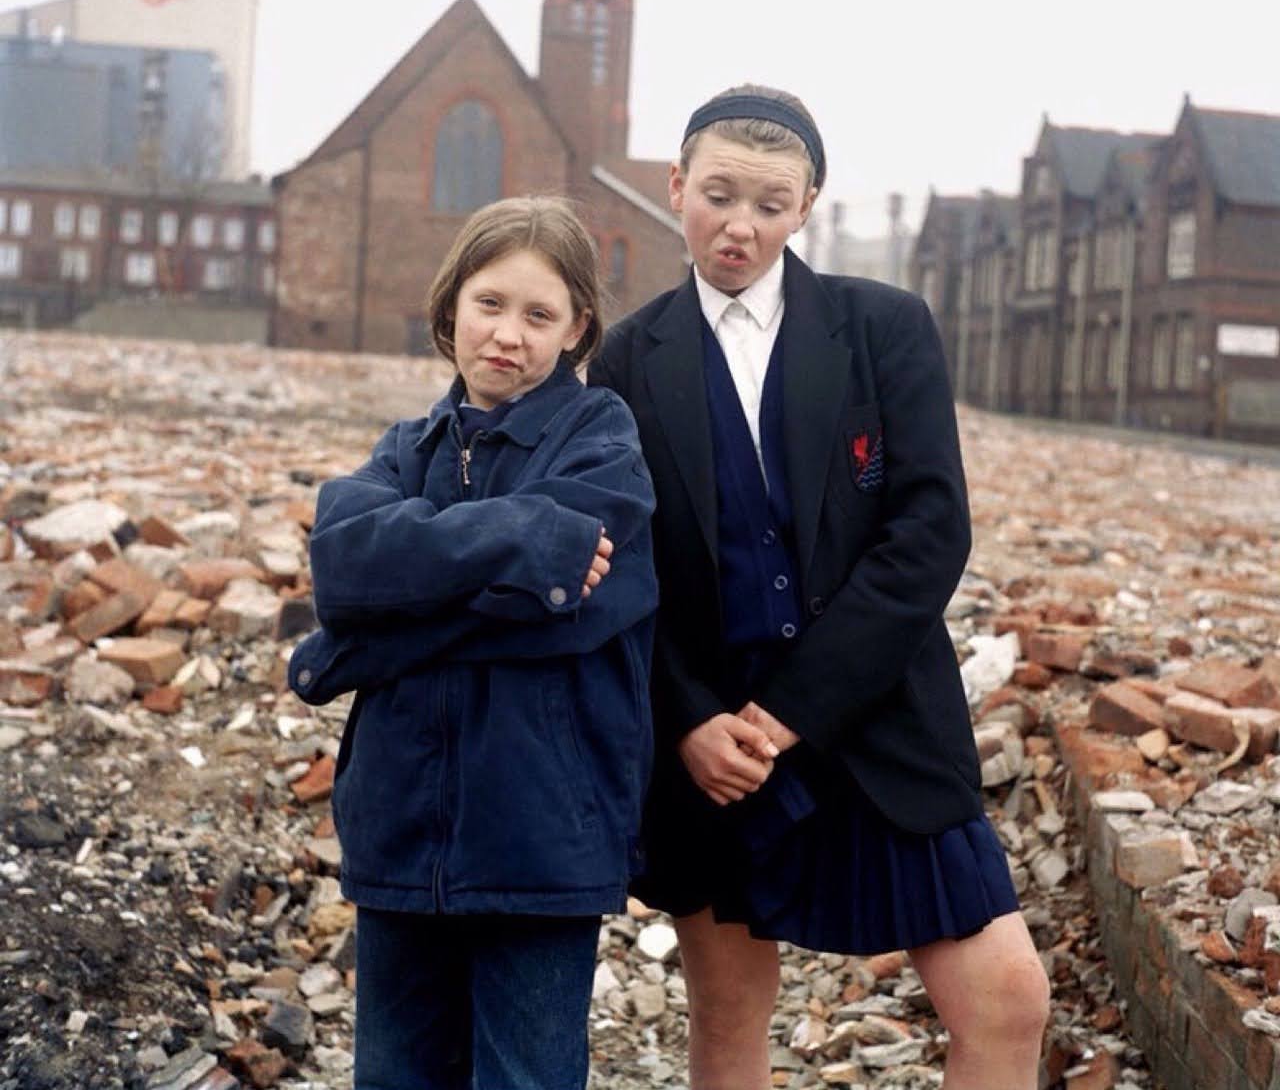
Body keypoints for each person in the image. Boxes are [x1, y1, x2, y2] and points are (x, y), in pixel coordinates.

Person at [588, 85, 1050, 1090]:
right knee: (727, 1017)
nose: (737, 225)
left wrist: (790, 711)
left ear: (806, 206)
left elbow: (930, 532)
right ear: (675, 188)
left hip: (878, 718)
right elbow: (628, 569)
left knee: (1007, 998)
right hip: (711, 746)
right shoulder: (626, 356)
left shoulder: (883, 327)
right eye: (715, 194)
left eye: (767, 202)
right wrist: (690, 723)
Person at [287, 196, 658, 1090]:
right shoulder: (406, 447)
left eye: (540, 314)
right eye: (490, 303)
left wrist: (363, 648)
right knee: (392, 1076)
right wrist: (524, 536)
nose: (509, 335)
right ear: (451, 306)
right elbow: (341, 562)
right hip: (400, 835)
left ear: (576, 331)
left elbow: (564, 609)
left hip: (543, 840)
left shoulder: (606, 446)